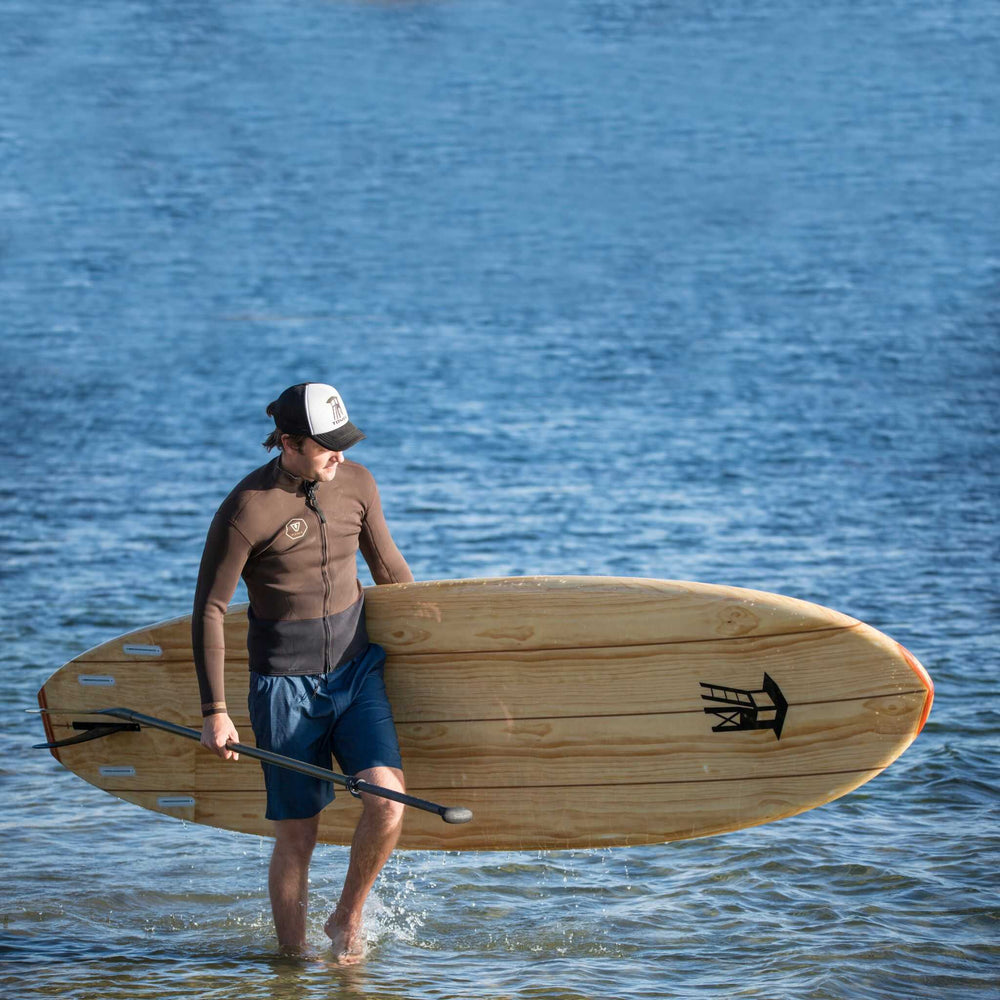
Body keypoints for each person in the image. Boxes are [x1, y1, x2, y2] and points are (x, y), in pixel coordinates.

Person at [192, 382, 414, 963]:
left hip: (355, 671)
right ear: (288, 442)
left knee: (388, 801)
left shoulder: (358, 483)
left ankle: (348, 916)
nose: (339, 456)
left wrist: (446, 640)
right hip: (282, 687)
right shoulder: (248, 509)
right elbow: (211, 609)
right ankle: (292, 962)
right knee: (299, 834)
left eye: (343, 442)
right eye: (326, 447)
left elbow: (389, 568)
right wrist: (215, 712)